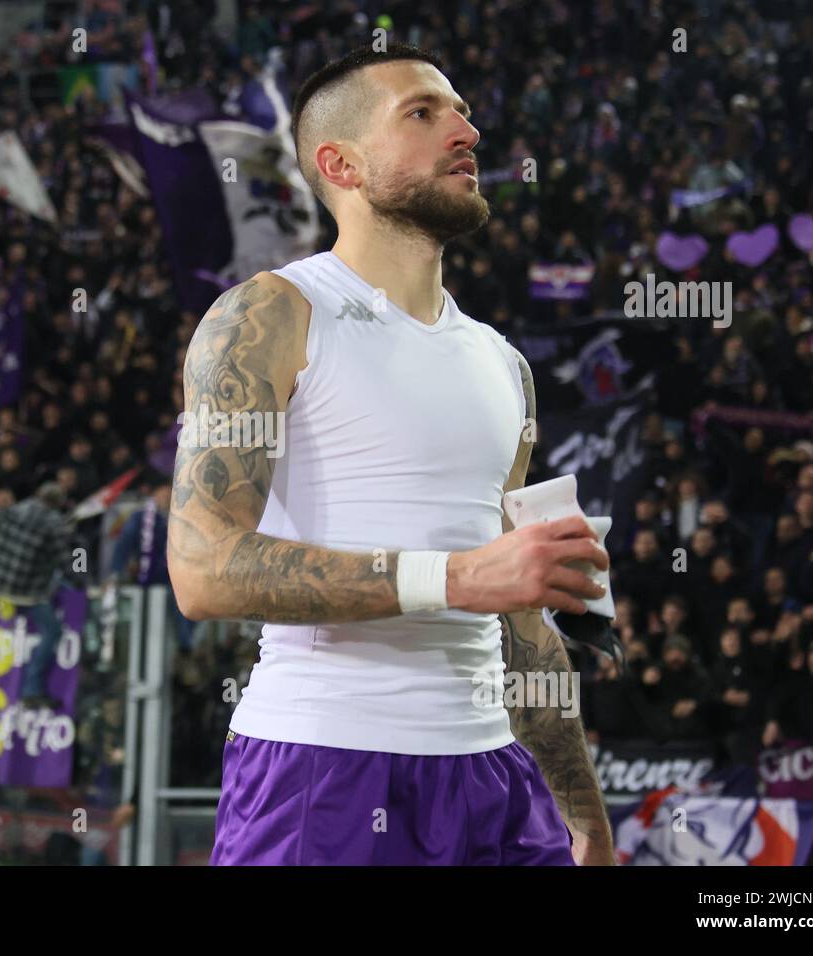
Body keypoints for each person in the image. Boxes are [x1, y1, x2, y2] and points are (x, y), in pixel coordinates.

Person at [169, 45, 615, 866]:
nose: (467, 130)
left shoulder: (503, 364)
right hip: (324, 770)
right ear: (341, 163)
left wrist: (582, 815)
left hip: (499, 785)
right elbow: (202, 567)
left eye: (462, 110)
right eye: (423, 112)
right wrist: (459, 578)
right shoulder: (269, 316)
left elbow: (522, 616)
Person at [0, 482, 76, 710]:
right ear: (57, 504)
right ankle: (32, 688)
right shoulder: (54, 523)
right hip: (29, 593)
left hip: (0, 585)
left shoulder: (12, 510)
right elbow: (65, 559)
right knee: (53, 630)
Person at [109, 476, 196, 651]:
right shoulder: (140, 517)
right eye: (164, 493)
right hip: (146, 578)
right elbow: (124, 544)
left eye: (170, 494)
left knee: (193, 605)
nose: (167, 497)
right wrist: (115, 573)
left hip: (172, 578)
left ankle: (186, 644)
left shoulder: (179, 518)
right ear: (155, 494)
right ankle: (184, 645)